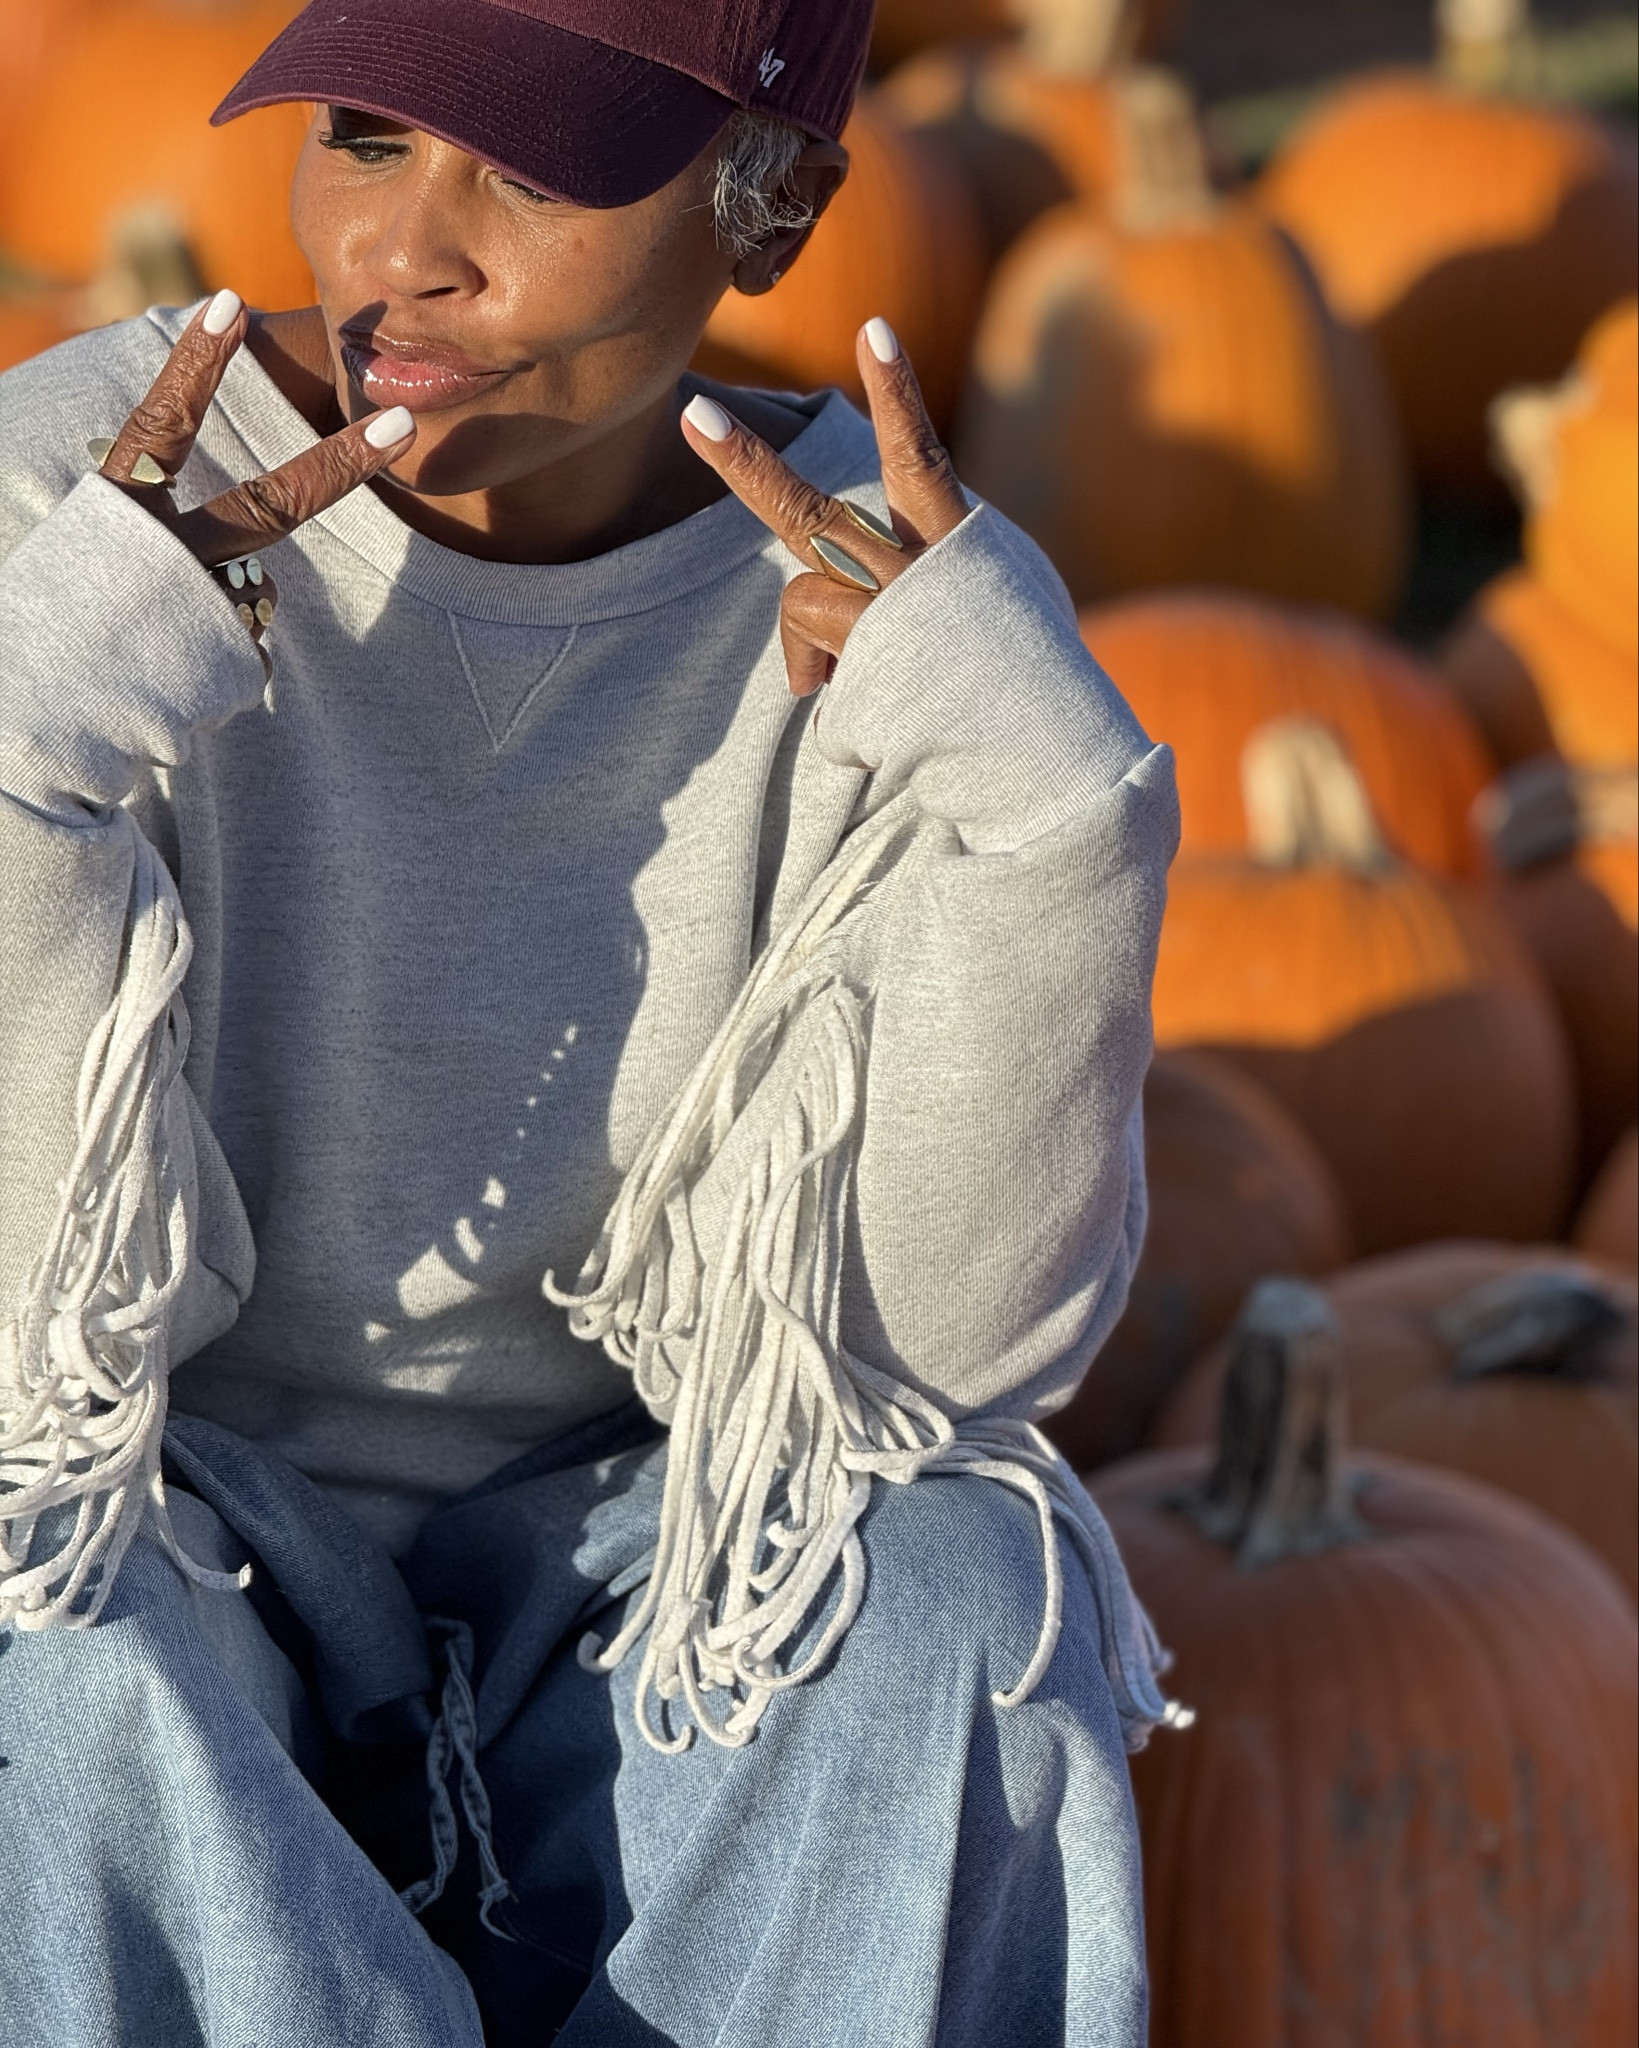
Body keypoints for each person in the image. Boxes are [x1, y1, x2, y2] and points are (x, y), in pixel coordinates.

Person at [0, 1, 1180, 2041]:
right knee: (39, 1645)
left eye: (527, 172)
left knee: (960, 1599)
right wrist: (24, 759)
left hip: (651, 1556)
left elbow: (941, 1376)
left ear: (778, 202)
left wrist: (1050, 824)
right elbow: (16, 1375)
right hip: (173, 1520)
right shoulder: (60, 513)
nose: (403, 247)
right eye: (363, 136)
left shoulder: (888, 606)